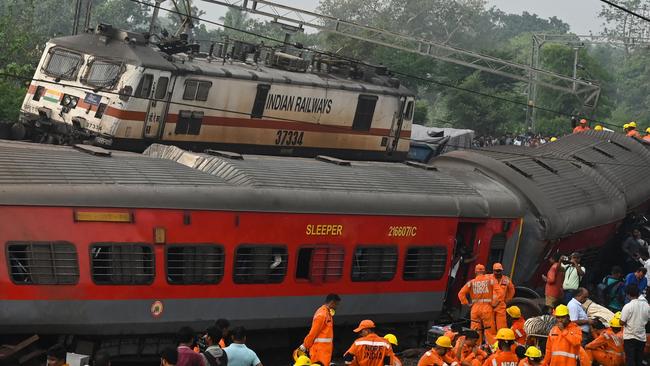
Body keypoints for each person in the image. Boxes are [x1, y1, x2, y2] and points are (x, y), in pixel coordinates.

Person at [458, 264, 503, 345]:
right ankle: (492, 348)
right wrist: (495, 303)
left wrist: (466, 303)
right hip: (487, 308)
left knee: (475, 331)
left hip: (475, 309)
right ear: (484, 271)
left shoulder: (471, 283)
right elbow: (501, 292)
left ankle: (476, 348)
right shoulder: (490, 280)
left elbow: (460, 294)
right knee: (489, 331)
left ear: (475, 272)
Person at [299, 293, 340, 366]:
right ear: (332, 303)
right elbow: (313, 332)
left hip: (323, 351)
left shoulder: (327, 313)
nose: (337, 307)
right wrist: (305, 345)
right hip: (319, 351)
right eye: (336, 304)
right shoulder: (322, 314)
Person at [620, 285, 649, 366]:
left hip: (630, 337)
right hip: (642, 338)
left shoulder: (628, 306)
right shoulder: (646, 306)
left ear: (628, 294)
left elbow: (621, 322)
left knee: (630, 360)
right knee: (639, 360)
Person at [491, 263, 515, 331]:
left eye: (499, 271)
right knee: (489, 326)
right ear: (493, 271)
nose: (498, 272)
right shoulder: (488, 278)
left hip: (501, 305)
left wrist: (507, 299)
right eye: (496, 271)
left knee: (501, 326)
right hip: (489, 305)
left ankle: (502, 339)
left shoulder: (506, 280)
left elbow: (511, 290)